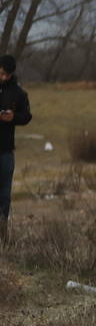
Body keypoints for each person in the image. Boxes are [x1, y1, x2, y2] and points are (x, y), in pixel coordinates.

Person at [0, 54, 33, 243]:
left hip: (5, 150)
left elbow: (27, 116)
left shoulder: (18, 93)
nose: (4, 78)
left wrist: (13, 118)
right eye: (2, 73)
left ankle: (2, 234)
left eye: (7, 75)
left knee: (4, 195)